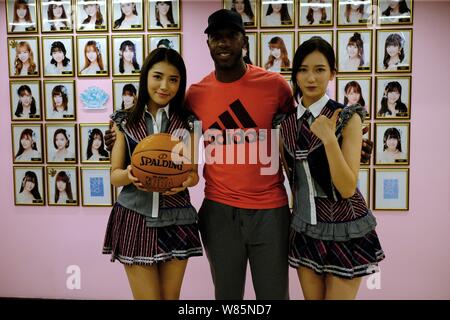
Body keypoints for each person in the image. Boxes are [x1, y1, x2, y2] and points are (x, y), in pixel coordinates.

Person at [104, 9, 373, 300]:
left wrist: (353, 146)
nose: (223, 43)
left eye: (231, 36)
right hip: (219, 210)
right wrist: (118, 140)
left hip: (271, 210)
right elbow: (168, 137)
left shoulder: (276, 86)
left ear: (243, 40)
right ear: (207, 43)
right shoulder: (195, 94)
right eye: (216, 37)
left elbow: (303, 133)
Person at [279, 37, 384, 300]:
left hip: (345, 228)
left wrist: (328, 138)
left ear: (332, 74)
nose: (311, 77)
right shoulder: (285, 123)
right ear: (294, 75)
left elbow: (348, 187)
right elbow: (293, 179)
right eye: (303, 70)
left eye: (319, 69)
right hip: (305, 228)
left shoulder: (347, 116)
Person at [102, 47, 203, 300]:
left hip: (176, 217)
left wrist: (182, 182)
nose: (164, 86)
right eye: (157, 76)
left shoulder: (190, 123)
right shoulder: (124, 121)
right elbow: (114, 175)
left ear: (181, 83)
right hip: (135, 217)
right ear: (145, 76)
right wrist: (131, 175)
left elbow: (193, 174)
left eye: (173, 79)